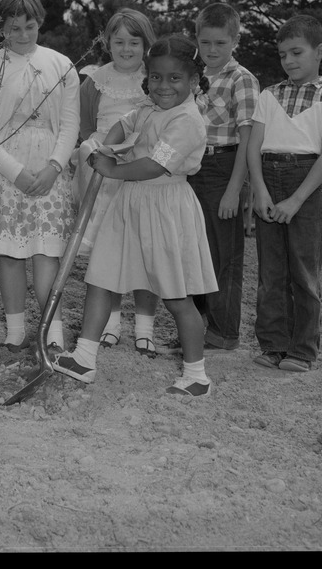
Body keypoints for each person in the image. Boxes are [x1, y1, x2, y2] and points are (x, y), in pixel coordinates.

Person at [52, 35, 219, 398]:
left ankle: (196, 375)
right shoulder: (147, 108)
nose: (163, 86)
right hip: (129, 204)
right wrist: (103, 146)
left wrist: (111, 169)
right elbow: (125, 126)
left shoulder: (188, 120)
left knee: (176, 295)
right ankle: (84, 356)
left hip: (165, 206)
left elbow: (153, 165)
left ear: (193, 81)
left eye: (175, 78)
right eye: (156, 77)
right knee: (101, 276)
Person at [0, 0, 79, 352]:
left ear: (39, 23)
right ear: (1, 28)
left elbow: (68, 125)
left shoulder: (62, 66)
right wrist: (15, 172)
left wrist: (53, 167)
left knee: (47, 252)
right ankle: (14, 332)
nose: (22, 35)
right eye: (13, 28)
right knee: (11, 253)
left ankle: (53, 331)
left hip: (49, 169)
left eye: (29, 26)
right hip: (5, 170)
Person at [247, 15, 322, 373]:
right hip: (269, 178)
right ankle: (273, 345)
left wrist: (296, 199)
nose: (288, 61)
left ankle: (303, 350)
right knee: (270, 273)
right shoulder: (268, 95)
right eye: (282, 55)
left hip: (306, 185)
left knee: (304, 273)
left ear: (319, 51)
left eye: (296, 52)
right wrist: (259, 190)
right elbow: (254, 148)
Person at [72, 9, 160, 357]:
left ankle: (145, 325)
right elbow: (84, 123)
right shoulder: (94, 79)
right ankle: (110, 320)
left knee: (142, 247)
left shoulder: (155, 78)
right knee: (106, 248)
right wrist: (96, 153)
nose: (126, 49)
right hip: (104, 165)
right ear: (107, 43)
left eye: (134, 42)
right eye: (119, 41)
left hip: (140, 164)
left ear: (145, 44)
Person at [186, 3, 260, 351]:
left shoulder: (241, 78)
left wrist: (235, 190)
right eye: (205, 43)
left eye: (219, 43)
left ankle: (224, 331)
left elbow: (248, 138)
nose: (211, 50)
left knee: (223, 253)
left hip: (223, 167)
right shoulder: (192, 75)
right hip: (191, 168)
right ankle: (195, 326)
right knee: (193, 250)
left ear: (235, 40)